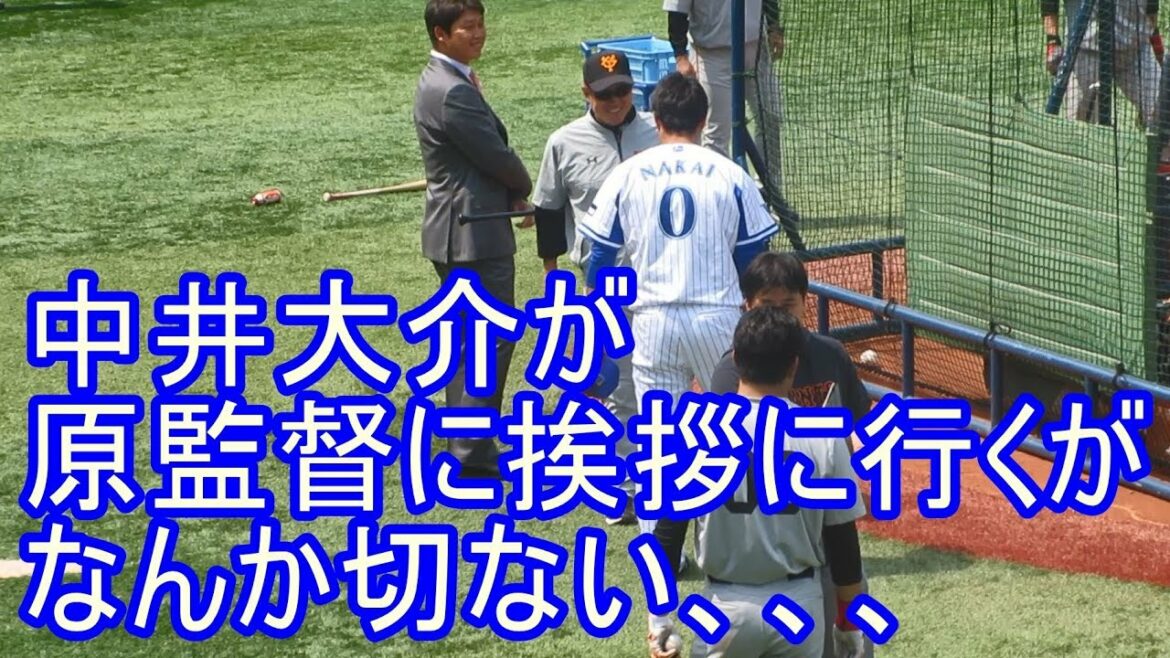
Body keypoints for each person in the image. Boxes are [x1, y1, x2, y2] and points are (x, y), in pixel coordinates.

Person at [578, 72, 779, 534]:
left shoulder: (627, 173)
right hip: (718, 318)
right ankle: (732, 544)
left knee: (658, 442)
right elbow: (754, 256)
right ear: (704, 120)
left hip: (653, 321)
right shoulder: (730, 173)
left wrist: (602, 316)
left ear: (657, 119)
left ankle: (658, 552)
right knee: (733, 430)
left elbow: (600, 256)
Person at [647, 306, 868, 658]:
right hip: (799, 608)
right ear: (794, 365)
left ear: (736, 358)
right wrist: (848, 624)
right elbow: (844, 547)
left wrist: (660, 621)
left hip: (725, 609)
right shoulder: (823, 434)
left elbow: (667, 535)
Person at [706, 251, 874, 658]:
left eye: (789, 304)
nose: (780, 314)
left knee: (851, 630)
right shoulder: (732, 372)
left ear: (804, 302)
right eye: (768, 304)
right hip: (772, 540)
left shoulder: (831, 355)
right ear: (748, 306)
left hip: (819, 528)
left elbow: (859, 424)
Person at [531, 50, 661, 525]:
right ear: (586, 93)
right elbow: (548, 213)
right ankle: (624, 488)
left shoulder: (659, 133)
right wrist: (554, 281)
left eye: (622, 91)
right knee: (620, 387)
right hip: (604, 287)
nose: (616, 101)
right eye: (605, 94)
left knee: (667, 381)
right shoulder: (563, 142)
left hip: (663, 276)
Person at [413, 0, 533, 478]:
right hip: (473, 234)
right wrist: (523, 187)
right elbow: (495, 154)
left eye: (481, 24)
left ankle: (466, 443)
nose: (479, 33)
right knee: (491, 338)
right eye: (468, 27)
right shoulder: (453, 91)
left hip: (458, 229)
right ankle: (471, 452)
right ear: (441, 34)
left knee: (467, 341)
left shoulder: (443, 80)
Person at [664, 0, 786, 185]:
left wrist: (774, 28)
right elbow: (677, 12)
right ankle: (719, 191)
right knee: (716, 131)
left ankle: (768, 189)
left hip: (757, 50)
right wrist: (681, 56)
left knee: (771, 115)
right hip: (712, 55)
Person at [1042, 0, 1163, 125]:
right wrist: (1052, 41)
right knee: (1081, 126)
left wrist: (1159, 50)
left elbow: (1151, 10)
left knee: (1164, 109)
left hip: (1135, 52)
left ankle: (1146, 123)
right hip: (1086, 54)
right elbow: (1050, 3)